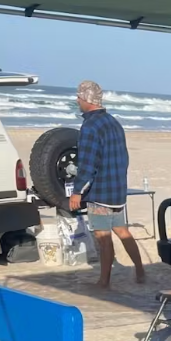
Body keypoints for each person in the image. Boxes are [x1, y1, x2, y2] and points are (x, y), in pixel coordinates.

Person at [69, 80, 145, 289]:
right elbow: (124, 157)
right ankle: (139, 270)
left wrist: (77, 192)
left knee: (103, 238)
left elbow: (87, 163)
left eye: (79, 97)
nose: (77, 100)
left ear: (86, 99)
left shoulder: (90, 126)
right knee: (122, 231)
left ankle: (104, 281)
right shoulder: (114, 122)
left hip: (100, 192)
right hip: (117, 190)